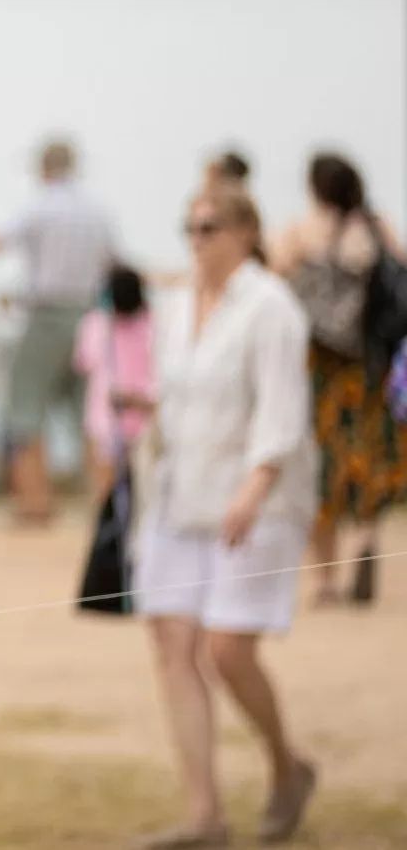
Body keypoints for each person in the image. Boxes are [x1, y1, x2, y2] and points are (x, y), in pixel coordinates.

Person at [128, 184, 318, 848]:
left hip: (253, 501)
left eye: (208, 227)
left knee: (228, 648)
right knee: (170, 642)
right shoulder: (177, 306)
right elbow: (177, 396)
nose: (196, 239)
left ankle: (286, 766)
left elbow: (282, 407)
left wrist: (258, 481)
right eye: (189, 227)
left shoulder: (271, 306)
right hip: (180, 495)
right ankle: (204, 814)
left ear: (244, 231)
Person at [0, 138, 117, 524]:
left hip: (46, 319)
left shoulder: (39, 207)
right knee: (92, 418)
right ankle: (104, 507)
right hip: (91, 319)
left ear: (42, 168)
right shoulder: (98, 212)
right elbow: (112, 266)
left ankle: (36, 504)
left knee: (26, 413)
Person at [268, 151, 406, 606]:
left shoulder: (304, 231)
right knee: (366, 457)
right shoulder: (373, 226)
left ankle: (325, 578)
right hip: (368, 366)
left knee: (321, 466)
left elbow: (270, 271)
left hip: (320, 368)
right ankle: (365, 545)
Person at [73, 264, 155, 504]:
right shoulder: (152, 323)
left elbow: (84, 362)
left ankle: (111, 531)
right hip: (144, 411)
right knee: (141, 487)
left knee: (106, 487)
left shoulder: (95, 324)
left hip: (107, 415)